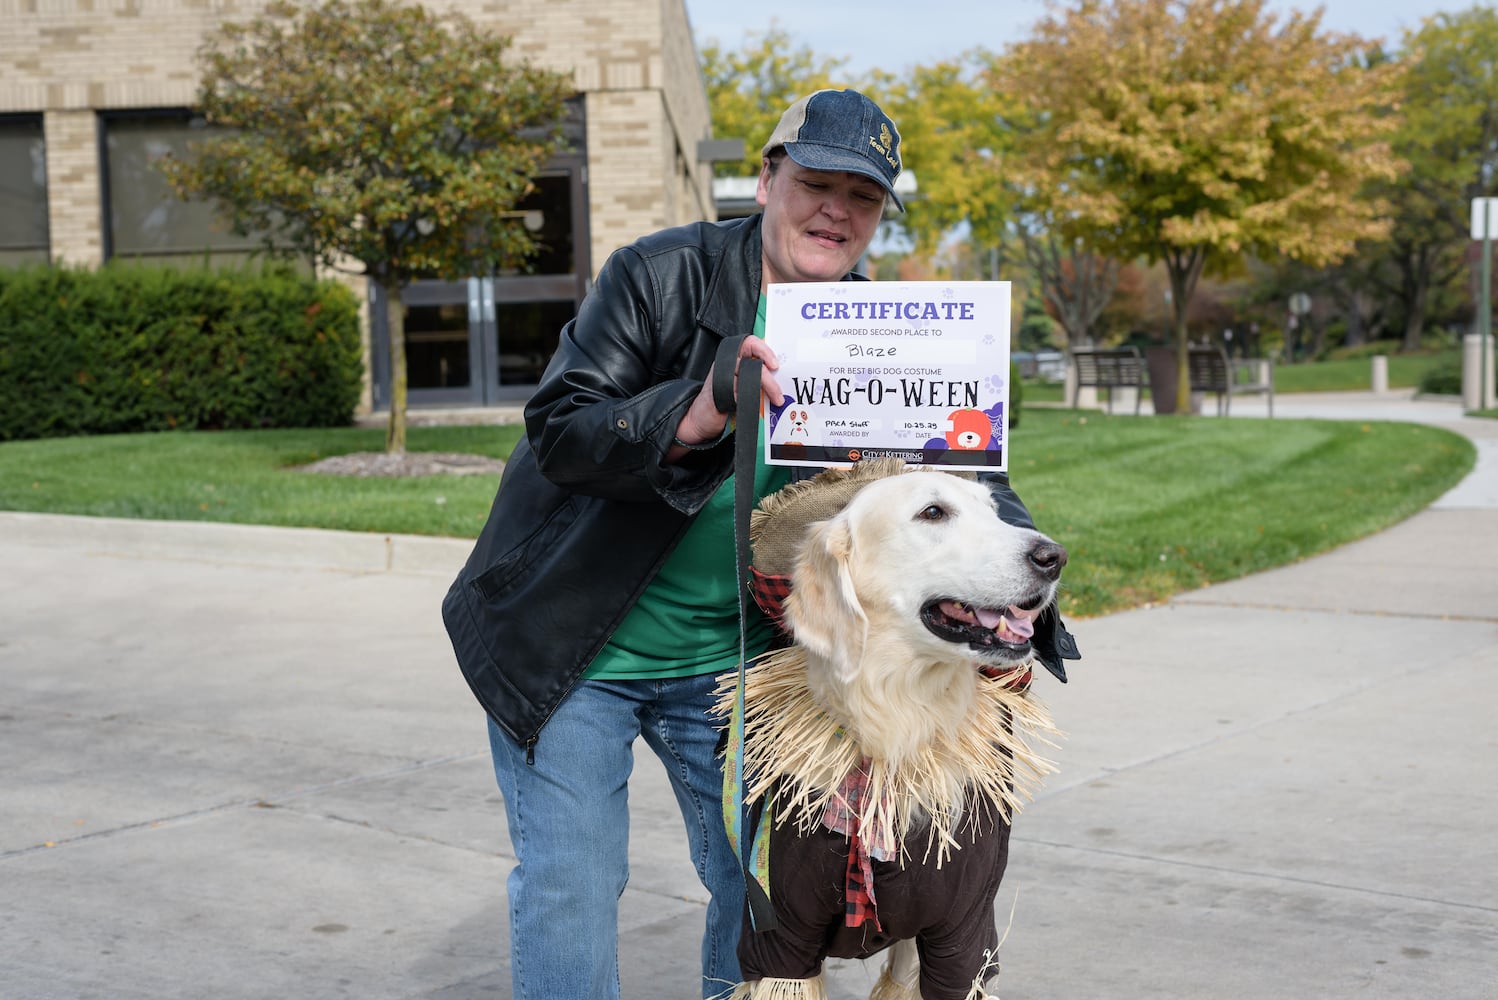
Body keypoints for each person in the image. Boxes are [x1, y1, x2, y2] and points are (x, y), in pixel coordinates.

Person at [441, 88, 1078, 1000]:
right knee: (572, 887)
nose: (836, 211)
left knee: (762, 890)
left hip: (738, 658)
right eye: (816, 184)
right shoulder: (659, 274)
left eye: (862, 197)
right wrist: (698, 408)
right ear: (767, 179)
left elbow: (971, 484)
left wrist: (1019, 616)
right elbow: (562, 429)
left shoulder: (892, 335)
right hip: (572, 647)